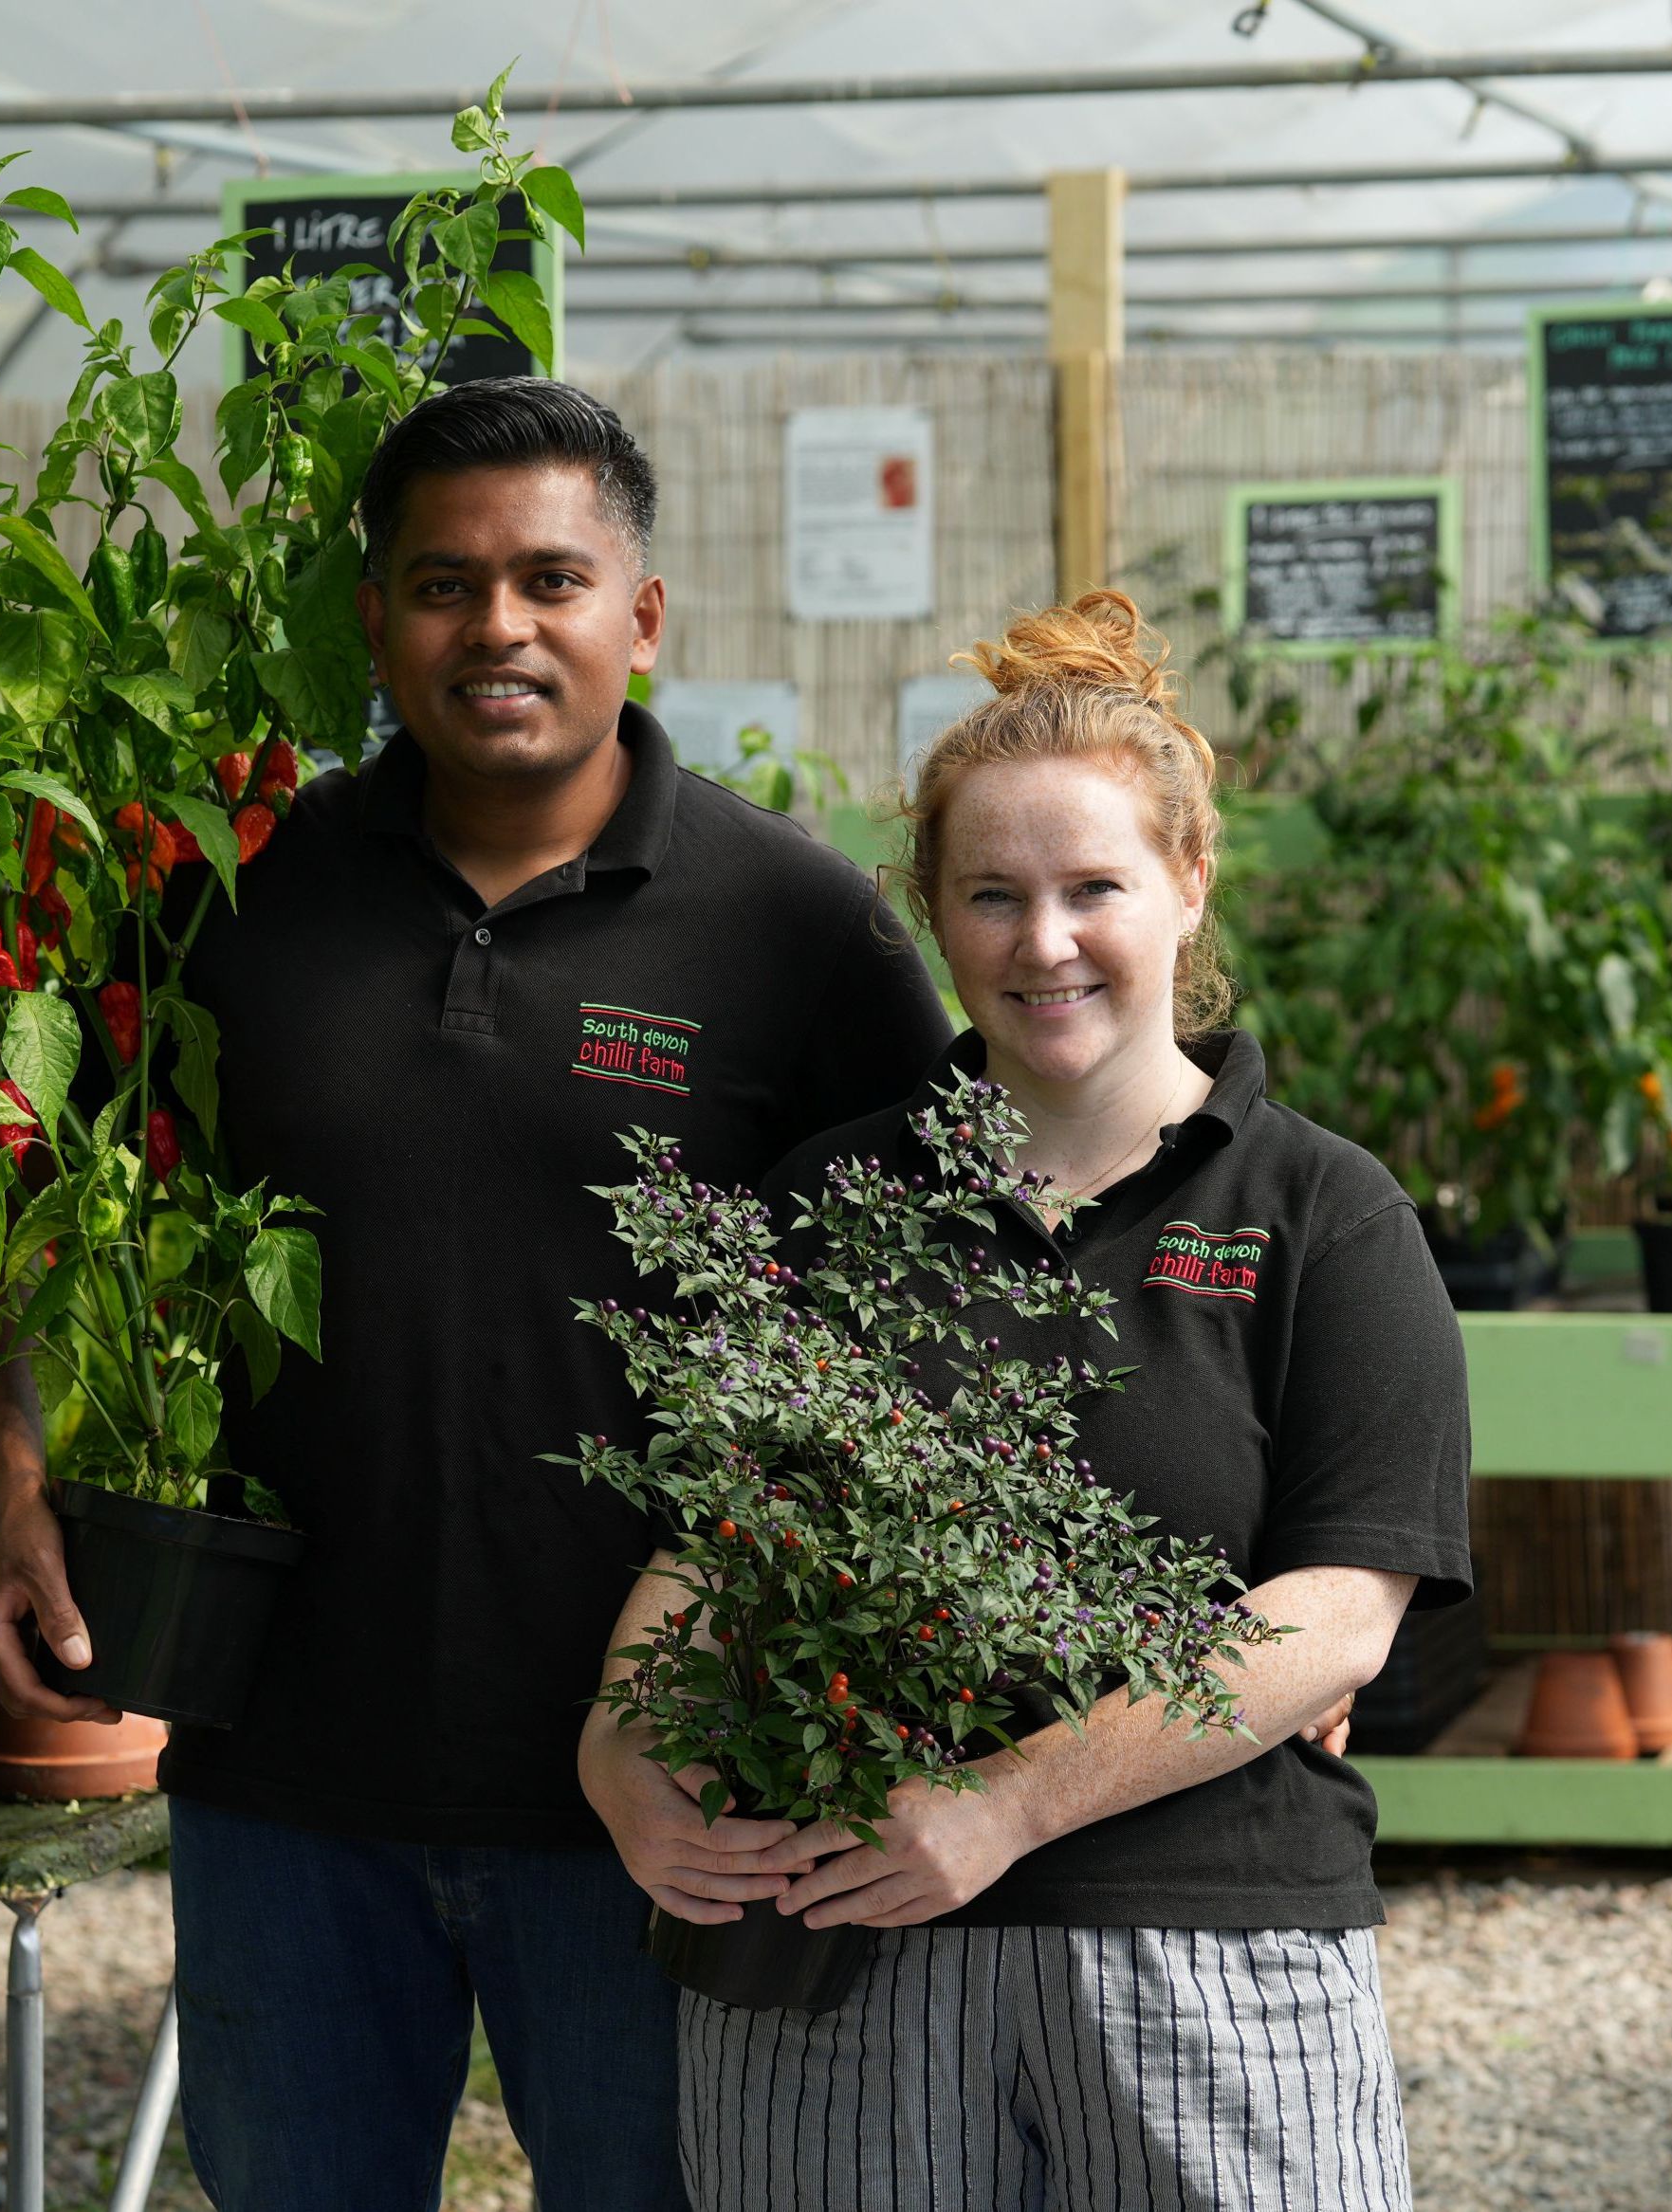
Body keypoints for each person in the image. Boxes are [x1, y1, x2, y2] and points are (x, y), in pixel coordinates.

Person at [0, 378, 951, 2211]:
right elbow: (29, 1204)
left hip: (665, 1792)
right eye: (443, 582)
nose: (497, 625)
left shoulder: (796, 931)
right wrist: (11, 1482)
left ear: (640, 617)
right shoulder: (228, 894)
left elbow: (953, 1293)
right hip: (281, 1775)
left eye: (550, 579)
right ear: (374, 618)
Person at [591, 590, 1472, 2211]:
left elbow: (1339, 1614)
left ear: (1189, 881)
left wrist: (1001, 1804)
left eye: (1092, 888)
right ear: (930, 912)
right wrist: (622, 1741)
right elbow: (716, 1546)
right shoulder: (825, 1204)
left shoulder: (1322, 1216)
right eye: (990, 895)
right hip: (841, 1942)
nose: (1042, 940)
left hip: (1212, 1942)